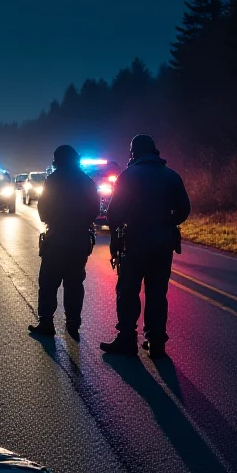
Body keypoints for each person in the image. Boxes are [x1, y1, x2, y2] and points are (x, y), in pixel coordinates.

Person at [100, 134, 191, 359]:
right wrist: (167, 223)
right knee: (157, 292)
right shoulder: (172, 176)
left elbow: (113, 213)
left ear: (133, 153)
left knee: (128, 290)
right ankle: (156, 341)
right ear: (155, 151)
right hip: (163, 243)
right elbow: (184, 210)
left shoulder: (127, 176)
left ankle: (127, 340)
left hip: (134, 241)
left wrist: (116, 237)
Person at [28, 144, 100, 340]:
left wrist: (55, 219)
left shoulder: (52, 180)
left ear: (57, 160)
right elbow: (95, 208)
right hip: (80, 239)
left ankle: (46, 322)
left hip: (57, 238)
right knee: (75, 282)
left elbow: (43, 210)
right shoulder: (87, 181)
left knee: (49, 282)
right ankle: (73, 324)